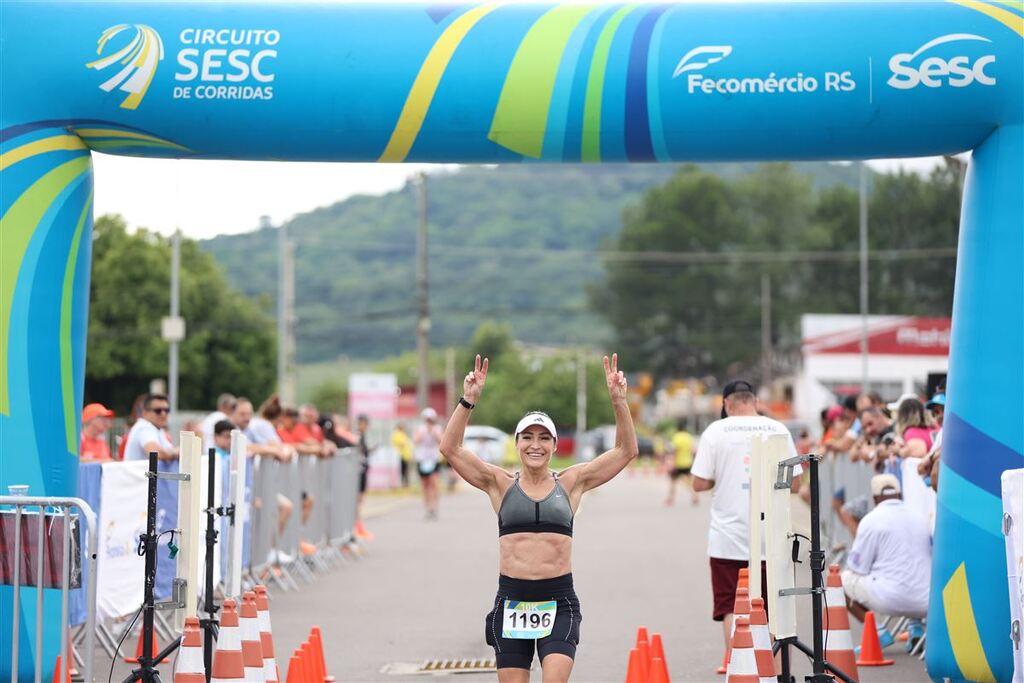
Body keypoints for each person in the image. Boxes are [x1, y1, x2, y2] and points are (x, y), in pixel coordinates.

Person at [440, 353, 638, 681]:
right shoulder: (499, 484)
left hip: (558, 602)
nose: (536, 445)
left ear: (555, 445)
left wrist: (619, 401)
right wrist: (468, 400)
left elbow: (626, 451)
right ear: (517, 443)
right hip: (512, 602)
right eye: (528, 437)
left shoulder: (572, 483)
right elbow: (450, 449)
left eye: (544, 438)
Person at [690, 380, 799, 659]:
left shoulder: (715, 431)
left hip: (728, 536)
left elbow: (699, 483)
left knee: (730, 605)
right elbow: (796, 484)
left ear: (727, 404)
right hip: (771, 536)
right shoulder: (778, 429)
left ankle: (739, 668)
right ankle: (772, 670)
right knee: (772, 608)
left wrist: (724, 475)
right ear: (755, 401)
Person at [842, 474, 931, 651]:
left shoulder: (870, 520)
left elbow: (858, 568)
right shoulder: (921, 517)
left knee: (839, 581)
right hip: (926, 601)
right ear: (900, 495)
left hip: (890, 600)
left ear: (874, 498)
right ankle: (916, 628)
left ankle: (878, 632)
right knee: (915, 571)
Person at [123, 394, 178, 462]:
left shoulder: (157, 429)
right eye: (158, 410)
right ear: (145, 413)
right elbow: (156, 453)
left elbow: (168, 451)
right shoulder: (144, 427)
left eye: (167, 410)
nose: (163, 413)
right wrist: (178, 452)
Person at [414, 408, 444, 519]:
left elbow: (441, 441)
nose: (429, 422)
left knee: (434, 484)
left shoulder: (437, 429)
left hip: (434, 459)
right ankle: (427, 508)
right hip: (422, 459)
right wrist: (425, 432)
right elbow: (416, 441)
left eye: (430, 420)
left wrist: (433, 432)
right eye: (427, 419)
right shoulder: (420, 429)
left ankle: (434, 507)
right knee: (425, 485)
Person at [665, 419, 697, 506]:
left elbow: (675, 450)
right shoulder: (689, 437)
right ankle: (695, 497)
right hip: (688, 463)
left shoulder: (677, 436)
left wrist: (673, 462)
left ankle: (670, 499)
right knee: (690, 482)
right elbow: (693, 450)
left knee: (673, 482)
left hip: (678, 463)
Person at [354, 414, 375, 539]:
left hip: (363, 470)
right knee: (357, 500)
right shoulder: (357, 436)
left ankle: (359, 526)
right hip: (358, 471)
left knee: (360, 500)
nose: (366, 426)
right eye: (364, 424)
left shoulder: (363, 436)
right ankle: (357, 526)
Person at [392, 423, 414, 488]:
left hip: (406, 456)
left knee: (406, 471)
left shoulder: (403, 435)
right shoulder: (397, 434)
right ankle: (403, 484)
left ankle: (406, 484)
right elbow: (401, 444)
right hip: (402, 456)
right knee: (403, 471)